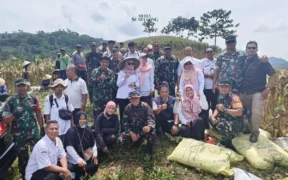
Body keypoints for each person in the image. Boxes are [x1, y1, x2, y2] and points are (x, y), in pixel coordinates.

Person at [2, 78, 44, 179]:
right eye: (19, 86)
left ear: (26, 86)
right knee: (23, 158)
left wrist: (42, 128)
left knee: (38, 154)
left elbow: (38, 113)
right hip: (19, 135)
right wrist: (14, 114)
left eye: (23, 86)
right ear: (16, 88)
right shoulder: (11, 102)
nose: (21, 88)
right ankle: (25, 175)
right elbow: (5, 120)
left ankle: (39, 174)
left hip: (34, 133)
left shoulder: (33, 98)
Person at [240, 41, 276, 142]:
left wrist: (268, 88)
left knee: (256, 113)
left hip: (257, 92)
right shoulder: (242, 60)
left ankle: (255, 133)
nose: (251, 49)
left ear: (257, 49)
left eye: (253, 48)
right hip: (243, 93)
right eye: (249, 48)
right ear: (246, 49)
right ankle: (247, 128)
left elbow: (273, 74)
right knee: (245, 113)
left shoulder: (262, 61)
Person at [118, 91, 156, 155]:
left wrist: (149, 127)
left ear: (139, 98)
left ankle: (147, 149)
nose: (134, 100)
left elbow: (151, 119)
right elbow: (125, 122)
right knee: (120, 140)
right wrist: (131, 133)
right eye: (132, 98)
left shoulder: (145, 106)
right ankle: (135, 142)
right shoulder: (127, 108)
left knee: (151, 136)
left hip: (144, 130)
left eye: (136, 98)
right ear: (129, 99)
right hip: (133, 131)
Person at [210, 80, 243, 147]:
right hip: (225, 118)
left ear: (230, 88)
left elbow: (239, 113)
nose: (224, 89)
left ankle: (227, 144)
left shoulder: (234, 97)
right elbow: (218, 108)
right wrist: (213, 117)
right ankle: (226, 132)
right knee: (210, 120)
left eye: (226, 87)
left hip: (235, 121)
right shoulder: (220, 96)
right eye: (222, 87)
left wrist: (225, 110)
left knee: (221, 125)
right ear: (219, 88)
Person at [65, 111, 98, 180]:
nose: (82, 121)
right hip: (74, 158)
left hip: (86, 156)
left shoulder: (88, 129)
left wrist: (95, 154)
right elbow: (69, 147)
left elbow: (93, 143)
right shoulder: (71, 131)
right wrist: (78, 159)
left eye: (84, 119)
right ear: (76, 119)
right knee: (72, 168)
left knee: (95, 165)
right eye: (80, 119)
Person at [116, 57, 140, 127]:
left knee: (131, 113)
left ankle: (131, 129)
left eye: (133, 63)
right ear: (125, 64)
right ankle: (123, 129)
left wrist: (134, 84)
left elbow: (138, 84)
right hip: (122, 96)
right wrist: (125, 77)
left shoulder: (136, 73)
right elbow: (118, 84)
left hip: (132, 96)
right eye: (129, 63)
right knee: (123, 113)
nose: (131, 65)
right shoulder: (121, 73)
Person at [201, 48, 217, 113]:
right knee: (205, 106)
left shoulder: (218, 61)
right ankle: (206, 122)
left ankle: (214, 121)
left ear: (214, 52)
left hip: (215, 88)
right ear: (205, 53)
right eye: (207, 52)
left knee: (215, 106)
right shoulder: (202, 62)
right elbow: (199, 73)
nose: (209, 53)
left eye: (211, 52)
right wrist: (209, 76)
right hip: (206, 88)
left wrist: (215, 76)